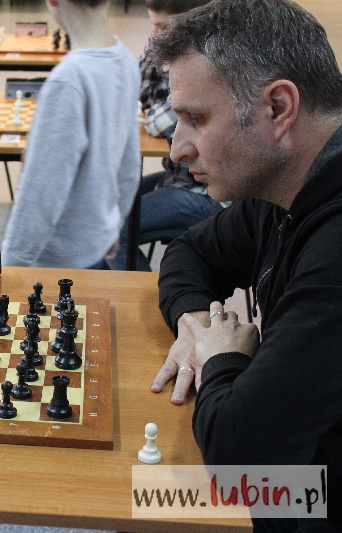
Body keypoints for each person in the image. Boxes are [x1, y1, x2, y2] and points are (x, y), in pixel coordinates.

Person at [150, 0, 342, 529]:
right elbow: (188, 251)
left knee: (144, 491)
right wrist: (195, 324)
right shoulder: (285, 184)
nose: (176, 150)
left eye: (195, 119)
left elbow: (240, 462)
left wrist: (220, 358)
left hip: (318, 497)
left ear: (278, 108)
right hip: (297, 463)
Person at [0, 0, 140, 269]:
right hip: (95, 243)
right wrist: (113, 224)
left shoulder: (68, 79)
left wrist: (12, 264)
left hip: (54, 260)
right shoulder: (125, 60)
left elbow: (42, 191)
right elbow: (130, 165)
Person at [106, 0, 223, 271]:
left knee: (114, 228)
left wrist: (152, 112)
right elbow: (133, 92)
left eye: (163, 27)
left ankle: (142, 294)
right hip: (177, 177)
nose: (155, 34)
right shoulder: (174, 50)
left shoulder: (207, 64)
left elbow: (158, 123)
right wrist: (157, 48)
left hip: (207, 191)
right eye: (153, 25)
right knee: (105, 205)